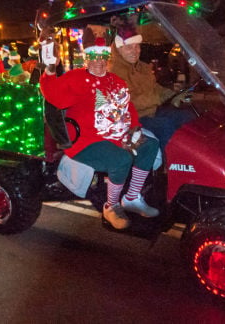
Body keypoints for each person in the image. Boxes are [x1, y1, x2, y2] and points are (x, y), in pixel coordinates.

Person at [39, 27, 160, 230]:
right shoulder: (76, 78)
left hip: (116, 134)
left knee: (150, 145)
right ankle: (111, 205)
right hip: (86, 140)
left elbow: (128, 107)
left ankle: (131, 197)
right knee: (121, 159)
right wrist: (50, 70)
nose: (99, 62)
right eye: (94, 57)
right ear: (87, 58)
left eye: (103, 57)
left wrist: (134, 128)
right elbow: (53, 95)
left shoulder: (116, 80)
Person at [108, 15, 194, 151]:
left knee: (188, 116)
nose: (135, 51)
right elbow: (126, 104)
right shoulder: (113, 73)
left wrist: (173, 91)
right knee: (165, 125)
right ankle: (167, 168)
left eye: (137, 47)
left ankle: (191, 159)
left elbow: (155, 89)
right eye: (129, 47)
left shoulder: (142, 67)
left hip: (151, 112)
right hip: (132, 120)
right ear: (118, 49)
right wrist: (157, 98)